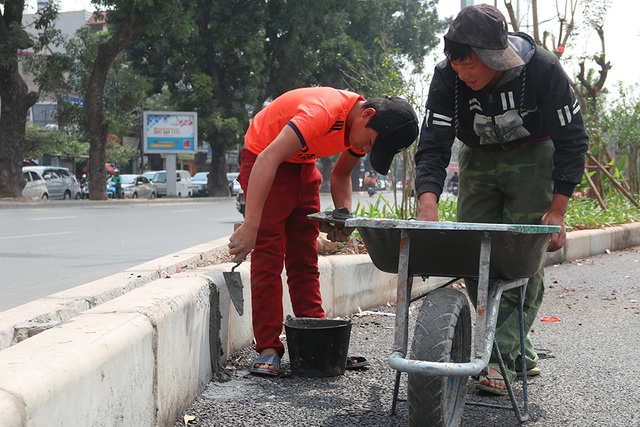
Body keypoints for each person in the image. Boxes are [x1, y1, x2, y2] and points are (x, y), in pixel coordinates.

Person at [414, 4, 589, 395]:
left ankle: (495, 357)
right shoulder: (447, 78)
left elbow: (573, 139)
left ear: (495, 57)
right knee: (475, 254)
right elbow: (433, 145)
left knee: (522, 256)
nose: (463, 73)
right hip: (477, 159)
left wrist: (557, 210)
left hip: (534, 154)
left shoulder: (541, 69)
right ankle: (513, 347)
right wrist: (428, 205)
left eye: (471, 65)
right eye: (456, 64)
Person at [228, 86, 419, 376]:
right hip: (265, 159)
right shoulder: (323, 111)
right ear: (367, 115)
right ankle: (268, 347)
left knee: (305, 257)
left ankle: (317, 338)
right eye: (370, 143)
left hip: (302, 165)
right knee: (268, 253)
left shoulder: (361, 125)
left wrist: (343, 217)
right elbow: (268, 158)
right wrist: (250, 225)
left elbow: (341, 174)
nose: (366, 150)